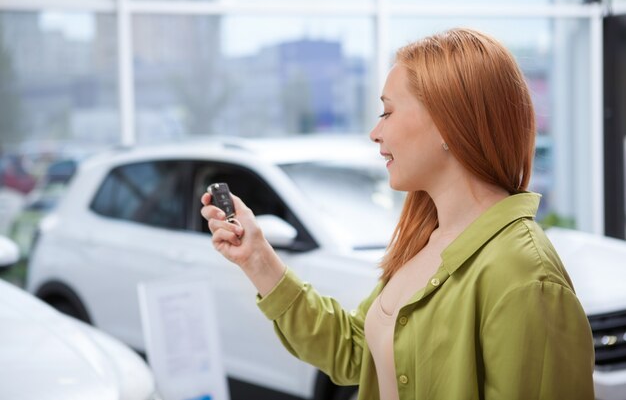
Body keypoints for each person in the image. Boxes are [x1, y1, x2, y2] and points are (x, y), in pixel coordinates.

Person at [200, 28, 595, 400]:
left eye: (387, 112)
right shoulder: (428, 239)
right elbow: (355, 350)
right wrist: (258, 258)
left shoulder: (525, 274)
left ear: (448, 124)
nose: (375, 132)